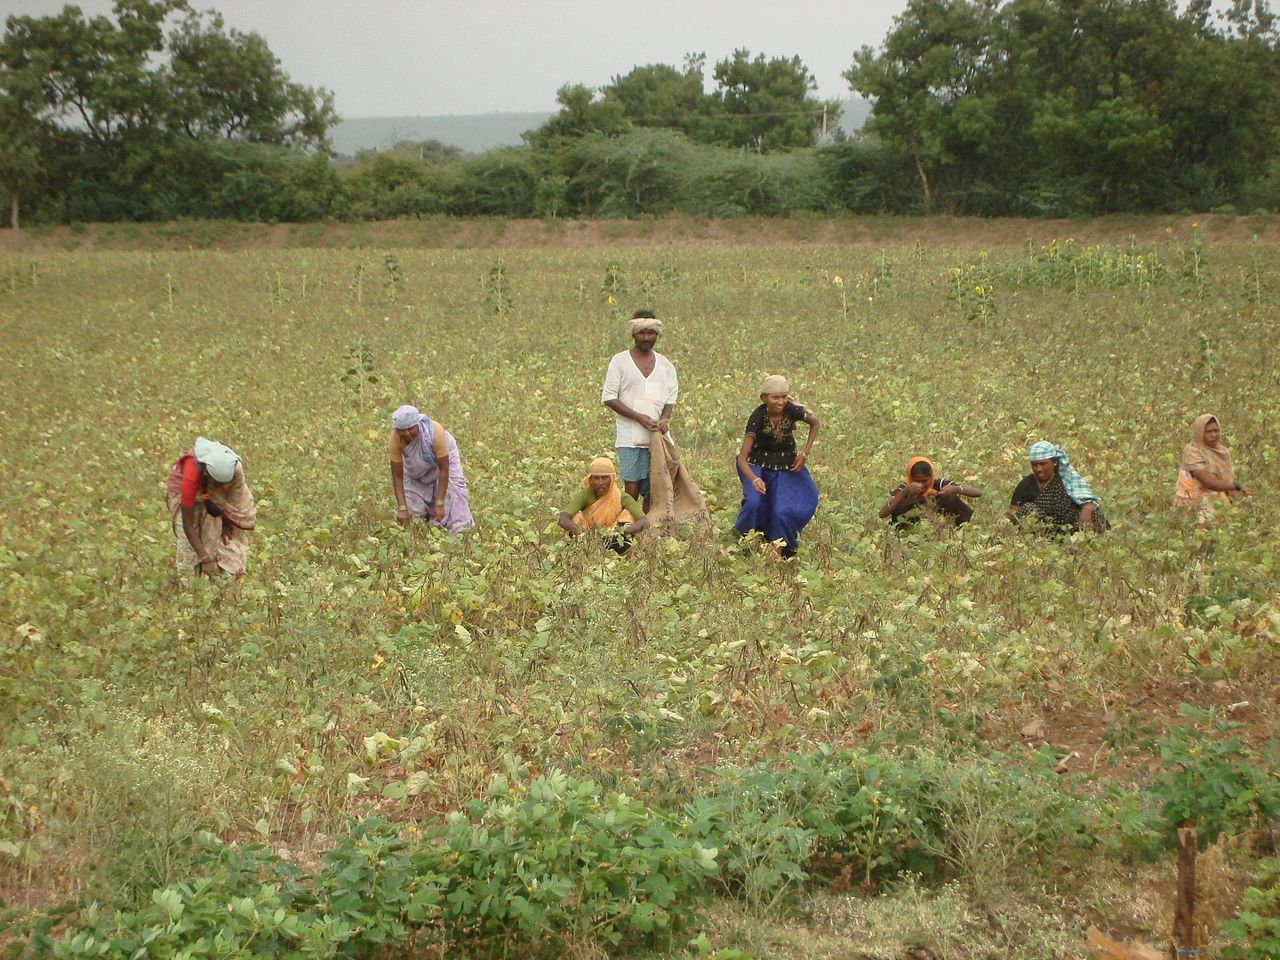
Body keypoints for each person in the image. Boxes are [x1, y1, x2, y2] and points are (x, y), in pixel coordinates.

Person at [733, 375, 819, 558]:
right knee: (753, 502)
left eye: (784, 397)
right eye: (775, 397)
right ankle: (744, 542)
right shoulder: (757, 418)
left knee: (785, 508)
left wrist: (804, 453)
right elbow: (742, 458)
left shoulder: (791, 410)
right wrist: (754, 479)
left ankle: (780, 548)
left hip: (784, 465)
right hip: (755, 464)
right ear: (764, 398)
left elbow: (815, 423)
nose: (781, 402)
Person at [601, 310, 678, 512]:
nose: (646, 338)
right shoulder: (620, 361)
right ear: (633, 334)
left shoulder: (665, 365)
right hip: (629, 437)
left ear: (656, 335)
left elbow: (670, 397)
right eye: (641, 333)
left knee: (653, 490)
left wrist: (664, 419)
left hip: (657, 437)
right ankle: (624, 531)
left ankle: (646, 532)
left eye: (650, 333)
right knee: (632, 490)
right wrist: (638, 417)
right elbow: (609, 397)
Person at [165, 437, 256, 578]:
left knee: (224, 537)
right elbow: (187, 526)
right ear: (206, 474)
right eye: (217, 484)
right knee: (188, 551)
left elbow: (236, 503)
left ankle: (222, 578)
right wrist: (205, 557)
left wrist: (227, 522)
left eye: (225, 485)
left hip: (207, 487)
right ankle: (190, 589)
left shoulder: (235, 469)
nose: (222, 488)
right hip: (186, 492)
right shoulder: (191, 477)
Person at [389, 405, 475, 534]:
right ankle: (427, 523)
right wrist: (402, 508)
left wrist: (439, 503)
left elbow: (444, 469)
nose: (407, 433)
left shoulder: (434, 432)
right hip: (416, 467)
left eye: (411, 428)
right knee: (412, 509)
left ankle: (459, 530)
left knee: (453, 492)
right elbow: (397, 476)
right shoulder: (396, 439)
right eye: (403, 430)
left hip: (444, 460)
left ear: (417, 424)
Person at [1008, 440, 1107, 533]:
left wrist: (1087, 510)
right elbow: (1013, 514)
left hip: (1072, 527)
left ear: (1054, 462)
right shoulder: (1025, 485)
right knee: (1028, 509)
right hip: (1044, 532)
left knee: (1094, 513)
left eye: (1043, 464)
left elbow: (1088, 500)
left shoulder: (1066, 480)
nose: (1038, 469)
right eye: (1034, 465)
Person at [558, 456, 650, 551]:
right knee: (575, 518)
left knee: (628, 515)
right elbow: (563, 518)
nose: (600, 482)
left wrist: (621, 532)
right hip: (588, 537)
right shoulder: (586, 495)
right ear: (590, 480)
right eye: (596, 478)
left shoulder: (621, 497)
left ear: (612, 479)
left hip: (615, 539)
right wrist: (586, 533)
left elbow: (644, 521)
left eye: (605, 478)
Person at [1174, 414, 1250, 524]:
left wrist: (1238, 500)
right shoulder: (1192, 452)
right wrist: (1237, 486)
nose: (1213, 435)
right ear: (1199, 432)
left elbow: (1226, 479)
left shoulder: (1222, 451)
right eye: (1208, 432)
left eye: (1216, 430)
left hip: (1216, 498)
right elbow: (1208, 482)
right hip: (1194, 501)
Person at [880, 457, 981, 527]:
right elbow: (883, 513)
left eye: (924, 481)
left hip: (939, 526)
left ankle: (961, 527)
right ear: (910, 478)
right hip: (911, 530)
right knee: (900, 505)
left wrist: (957, 489)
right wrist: (905, 492)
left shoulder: (939, 484)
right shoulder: (905, 488)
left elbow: (978, 493)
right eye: (916, 481)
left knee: (951, 497)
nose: (921, 484)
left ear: (931, 476)